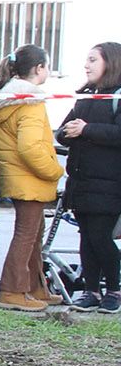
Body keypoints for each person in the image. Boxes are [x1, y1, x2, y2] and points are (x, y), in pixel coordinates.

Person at [0, 45, 64, 311]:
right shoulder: (30, 102)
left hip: (17, 176)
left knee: (34, 232)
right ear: (39, 68)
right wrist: (55, 171)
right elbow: (31, 147)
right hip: (30, 178)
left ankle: (34, 286)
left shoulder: (11, 99)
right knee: (26, 234)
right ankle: (12, 290)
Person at [59, 42, 121, 313]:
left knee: (101, 237)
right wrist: (68, 132)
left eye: (93, 60)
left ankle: (114, 290)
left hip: (109, 183)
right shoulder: (86, 98)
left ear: (111, 62)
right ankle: (91, 290)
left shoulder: (117, 98)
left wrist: (86, 130)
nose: (87, 65)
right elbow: (62, 131)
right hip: (81, 182)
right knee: (86, 237)